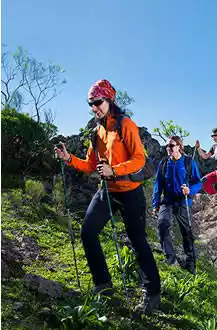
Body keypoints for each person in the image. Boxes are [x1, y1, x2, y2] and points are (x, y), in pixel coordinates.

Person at [54, 79, 161, 313]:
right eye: (91, 104)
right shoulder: (97, 132)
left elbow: (139, 159)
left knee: (137, 241)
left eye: (98, 102)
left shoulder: (126, 125)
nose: (94, 107)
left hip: (130, 193)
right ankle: (103, 287)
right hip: (107, 192)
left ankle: (152, 292)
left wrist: (115, 170)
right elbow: (91, 164)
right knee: (87, 232)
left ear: (109, 100)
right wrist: (69, 159)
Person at [152, 136, 203, 273]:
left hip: (183, 200)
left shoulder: (188, 162)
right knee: (162, 224)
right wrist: (155, 204)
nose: (168, 148)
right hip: (167, 200)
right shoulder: (163, 163)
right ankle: (170, 257)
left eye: (171, 145)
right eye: (167, 146)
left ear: (179, 146)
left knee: (187, 231)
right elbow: (158, 185)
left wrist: (190, 190)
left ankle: (190, 263)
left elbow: (198, 182)